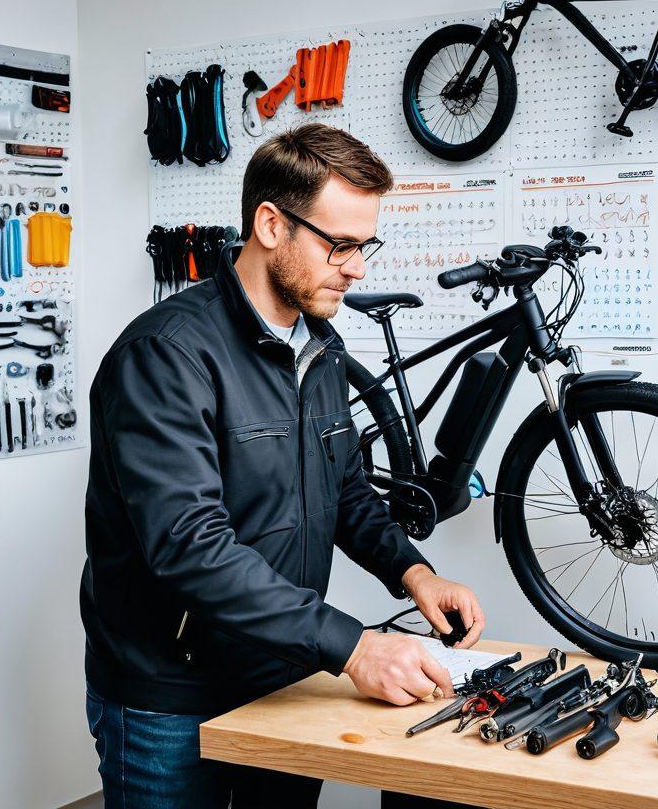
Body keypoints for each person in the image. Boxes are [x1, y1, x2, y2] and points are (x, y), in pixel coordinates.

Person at [80, 123, 486, 808]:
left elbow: (345, 487)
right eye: (342, 245)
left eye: (366, 245)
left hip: (284, 672)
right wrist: (353, 648)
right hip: (172, 696)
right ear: (271, 224)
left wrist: (412, 572)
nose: (358, 268)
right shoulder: (166, 357)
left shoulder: (319, 349)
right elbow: (189, 546)